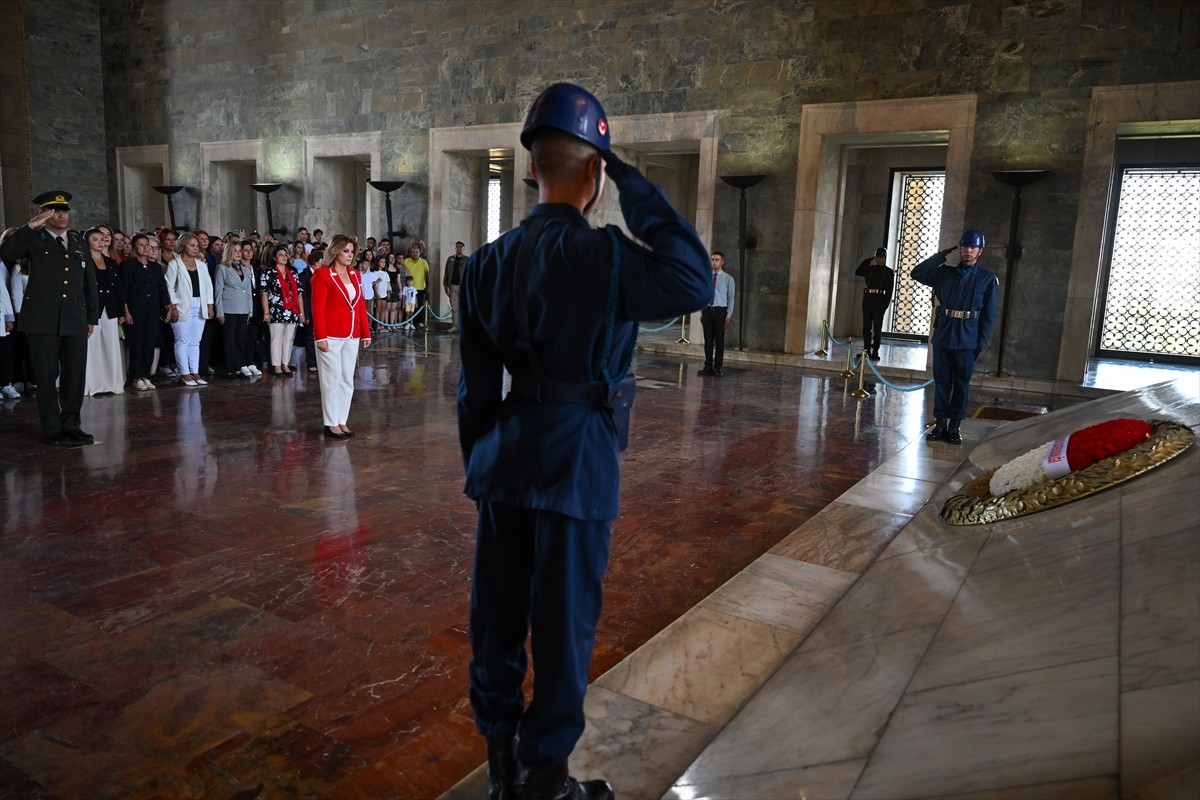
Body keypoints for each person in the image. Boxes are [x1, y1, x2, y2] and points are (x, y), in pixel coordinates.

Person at [457, 83, 710, 800]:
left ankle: (501, 773)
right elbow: (693, 276)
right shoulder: (606, 258)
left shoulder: (485, 263)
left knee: (497, 623)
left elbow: (475, 392)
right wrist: (632, 178)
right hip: (578, 465)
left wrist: (484, 463)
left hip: (503, 462)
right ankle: (545, 784)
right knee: (562, 632)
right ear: (594, 172)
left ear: (533, 167)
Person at [0, 192, 99, 445]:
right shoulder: (33, 238)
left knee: (74, 375)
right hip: (42, 319)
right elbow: (8, 252)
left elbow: (89, 284)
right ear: (45, 214)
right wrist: (31, 225)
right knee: (45, 376)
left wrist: (91, 317)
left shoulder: (77, 242)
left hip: (74, 318)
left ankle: (71, 425)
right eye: (55, 211)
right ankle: (51, 427)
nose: (62, 215)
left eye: (65, 211)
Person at [911, 228, 999, 445]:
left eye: (972, 247)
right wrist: (941, 255)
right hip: (943, 336)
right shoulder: (944, 273)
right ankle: (940, 424)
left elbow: (988, 317)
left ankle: (954, 427)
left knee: (961, 384)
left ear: (980, 251)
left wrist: (979, 344)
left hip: (967, 340)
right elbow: (917, 272)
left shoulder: (987, 279)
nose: (967, 251)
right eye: (964, 247)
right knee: (942, 382)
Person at [310, 235, 371, 439]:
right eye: (346, 250)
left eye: (352, 251)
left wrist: (365, 332)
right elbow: (317, 309)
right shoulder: (323, 275)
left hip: (351, 333)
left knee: (347, 379)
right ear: (335, 251)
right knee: (331, 379)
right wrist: (320, 337)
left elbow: (360, 305)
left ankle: (342, 420)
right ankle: (330, 423)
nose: (350, 255)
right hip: (330, 334)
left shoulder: (355, 274)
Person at [119, 233, 172, 391]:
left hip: (152, 309)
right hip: (135, 309)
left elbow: (162, 289)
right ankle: (136, 377)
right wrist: (126, 311)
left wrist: (167, 307)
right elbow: (123, 291)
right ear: (135, 248)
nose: (145, 248)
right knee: (137, 343)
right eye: (141, 245)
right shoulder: (127, 266)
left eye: (147, 245)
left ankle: (146, 375)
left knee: (149, 343)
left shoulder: (155, 267)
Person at [166, 233, 216, 386]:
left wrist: (209, 305)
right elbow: (169, 286)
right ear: (183, 246)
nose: (195, 248)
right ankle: (184, 373)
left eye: (197, 246)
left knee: (195, 341)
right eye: (191, 245)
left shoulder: (201, 265)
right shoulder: (175, 264)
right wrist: (173, 306)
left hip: (199, 305)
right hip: (182, 306)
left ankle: (195, 371)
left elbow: (208, 286)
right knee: (182, 340)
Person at [83, 227, 125, 396]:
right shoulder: (83, 262)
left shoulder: (111, 263)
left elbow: (118, 289)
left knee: (111, 345)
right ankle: (91, 385)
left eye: (102, 239)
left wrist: (122, 310)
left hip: (110, 308)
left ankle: (112, 383)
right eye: (95, 239)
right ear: (87, 242)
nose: (100, 242)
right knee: (91, 347)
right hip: (92, 309)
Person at [214, 237, 258, 378]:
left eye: (240, 251)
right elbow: (218, 292)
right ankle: (229, 368)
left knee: (240, 339)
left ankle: (239, 367)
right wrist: (219, 312)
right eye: (235, 251)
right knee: (229, 339)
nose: (238, 253)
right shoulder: (222, 268)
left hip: (243, 309)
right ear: (229, 252)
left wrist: (250, 310)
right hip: (228, 309)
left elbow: (249, 292)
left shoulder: (245, 270)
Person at [259, 243, 306, 376]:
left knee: (289, 338)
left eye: (286, 255)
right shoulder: (269, 272)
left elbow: (299, 293)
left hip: (291, 310)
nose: (284, 257)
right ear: (274, 257)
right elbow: (264, 293)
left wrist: (301, 312)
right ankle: (276, 365)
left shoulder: (293, 272)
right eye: (281, 255)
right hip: (276, 309)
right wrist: (266, 312)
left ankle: (285, 364)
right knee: (276, 338)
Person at [697, 251, 734, 376]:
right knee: (708, 341)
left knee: (719, 341)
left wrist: (728, 315)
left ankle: (717, 367)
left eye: (717, 260)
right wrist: (702, 312)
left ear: (722, 262)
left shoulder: (728, 279)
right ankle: (708, 366)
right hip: (707, 310)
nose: (714, 262)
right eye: (712, 259)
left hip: (720, 311)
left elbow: (731, 298)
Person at [855, 246, 894, 360]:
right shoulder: (870, 269)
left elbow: (889, 291)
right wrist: (868, 260)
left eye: (881, 257)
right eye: (877, 257)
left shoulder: (888, 272)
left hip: (879, 302)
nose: (878, 259)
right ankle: (866, 349)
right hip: (868, 300)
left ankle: (875, 351)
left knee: (877, 329)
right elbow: (858, 271)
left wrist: (884, 306)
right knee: (866, 328)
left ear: (885, 258)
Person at [402, 241, 430, 328]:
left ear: (419, 253)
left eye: (416, 252)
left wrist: (428, 285)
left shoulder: (424, 262)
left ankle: (418, 322)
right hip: (408, 287)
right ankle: (408, 322)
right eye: (413, 252)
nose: (415, 254)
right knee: (408, 306)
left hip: (420, 287)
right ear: (410, 253)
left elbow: (427, 275)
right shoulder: (406, 261)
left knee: (419, 305)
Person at [444, 240, 467, 333]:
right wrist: (446, 286)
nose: (459, 248)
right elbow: (446, 273)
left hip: (463, 287)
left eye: (461, 246)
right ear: (455, 248)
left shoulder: (467, 260)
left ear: (463, 248)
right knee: (454, 308)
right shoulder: (450, 259)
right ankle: (455, 325)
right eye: (457, 246)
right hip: (452, 286)